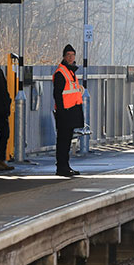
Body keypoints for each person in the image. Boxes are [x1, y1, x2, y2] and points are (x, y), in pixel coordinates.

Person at [53, 44, 84, 176]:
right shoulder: (61, 72)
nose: (71, 58)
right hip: (64, 112)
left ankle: (65, 166)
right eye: (68, 55)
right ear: (64, 57)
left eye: (73, 55)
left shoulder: (70, 72)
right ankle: (62, 167)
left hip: (71, 111)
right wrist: (61, 111)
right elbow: (58, 94)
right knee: (63, 141)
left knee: (66, 141)